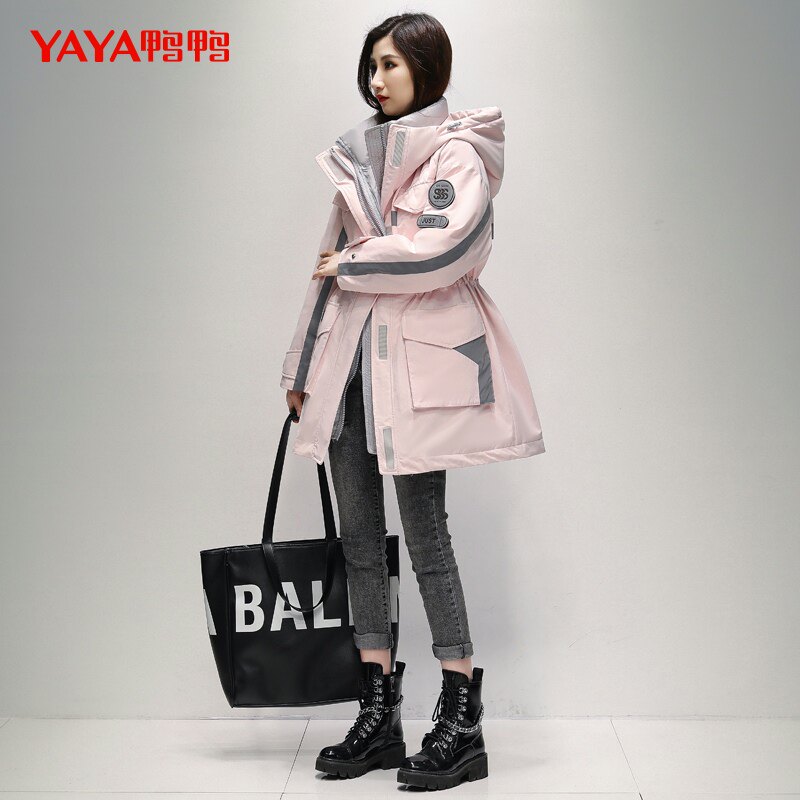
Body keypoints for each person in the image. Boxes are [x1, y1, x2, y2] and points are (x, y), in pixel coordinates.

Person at [280, 12, 545, 791]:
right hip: (347, 371)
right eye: (371, 65)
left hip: (415, 375)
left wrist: (356, 261)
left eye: (390, 64)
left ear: (427, 68)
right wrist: (300, 366)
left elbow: (443, 251)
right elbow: (325, 273)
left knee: (426, 537)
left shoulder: (458, 153)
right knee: (360, 542)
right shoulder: (358, 156)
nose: (376, 79)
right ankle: (379, 715)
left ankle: (461, 718)